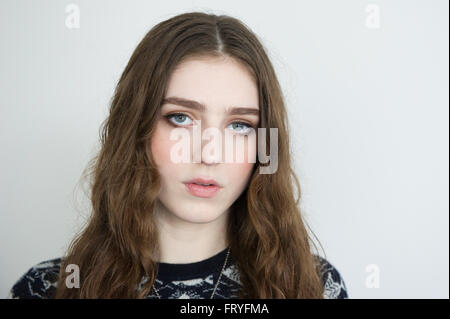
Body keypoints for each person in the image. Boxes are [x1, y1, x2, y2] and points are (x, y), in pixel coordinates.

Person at [9, 12, 348, 299]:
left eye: (240, 125)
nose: (210, 154)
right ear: (135, 129)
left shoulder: (313, 286)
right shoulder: (47, 290)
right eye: (181, 118)